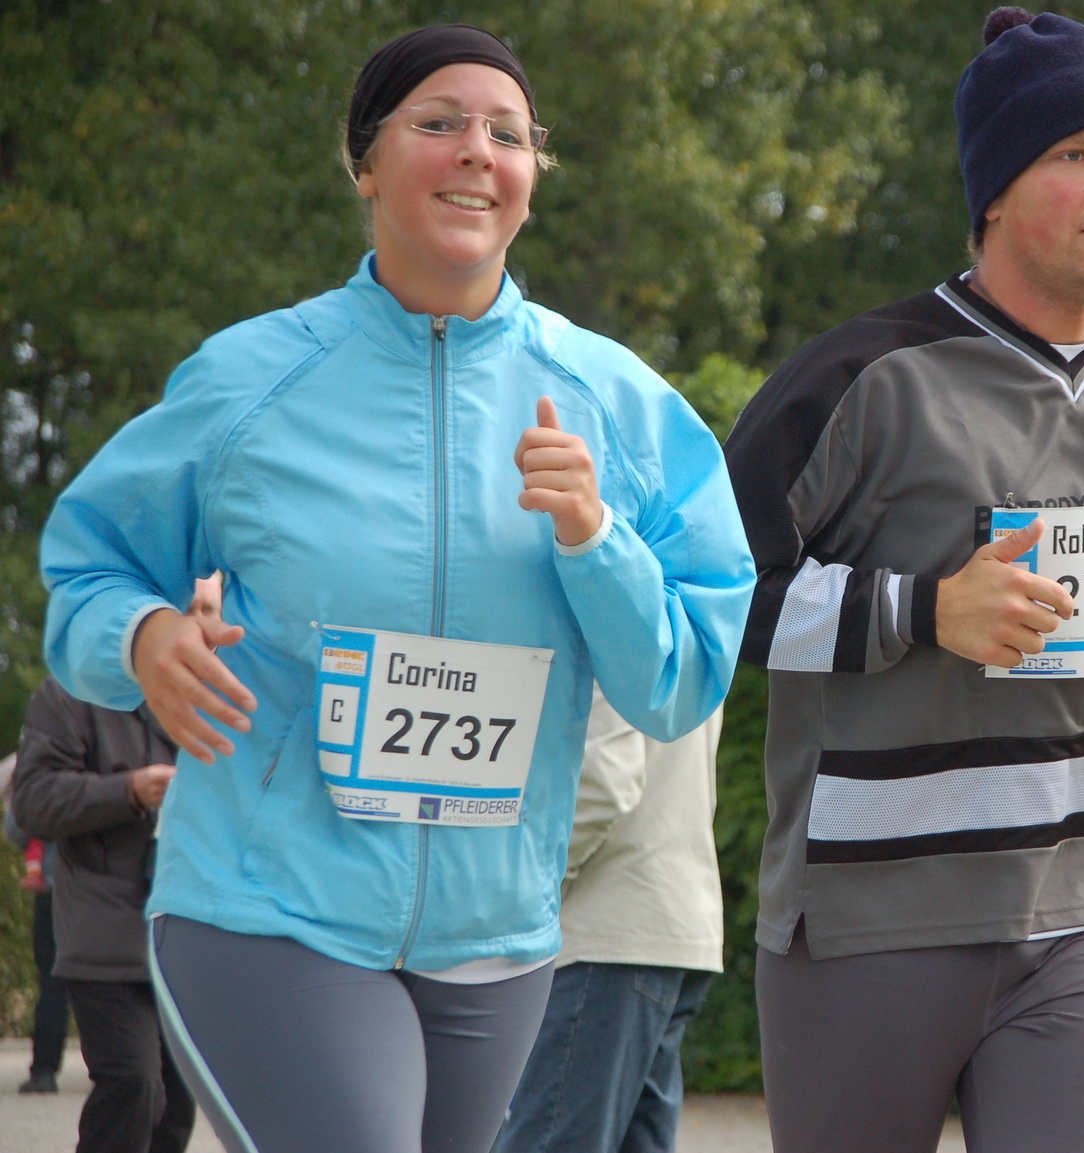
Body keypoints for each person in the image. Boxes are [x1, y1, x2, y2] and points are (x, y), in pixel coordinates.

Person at [38, 23, 753, 1153]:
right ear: (366, 164)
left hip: (501, 938)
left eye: (509, 134)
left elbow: (680, 680)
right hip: (268, 909)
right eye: (440, 123)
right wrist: (141, 630)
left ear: (530, 182)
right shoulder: (250, 379)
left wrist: (594, 536)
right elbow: (88, 565)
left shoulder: (618, 404)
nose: (479, 150)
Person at [723, 9, 1084, 1152]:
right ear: (994, 191)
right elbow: (712, 599)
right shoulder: (856, 378)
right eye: (1074, 154)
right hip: (874, 914)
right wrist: (926, 608)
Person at [494, 686, 724, 1153]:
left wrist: (521, 887)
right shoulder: (683, 621)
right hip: (669, 920)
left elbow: (604, 780)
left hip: (602, 927)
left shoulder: (611, 625)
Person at [9, 675, 195, 1153]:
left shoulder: (219, 687)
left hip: (192, 928)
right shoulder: (70, 693)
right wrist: (129, 789)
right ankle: (44, 1069)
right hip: (104, 929)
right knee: (134, 1083)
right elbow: (32, 803)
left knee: (176, 1106)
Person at [3, 752, 71, 1096]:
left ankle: (44, 1070)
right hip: (110, 891)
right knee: (117, 980)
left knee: (53, 982)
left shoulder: (43, 782)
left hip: (53, 889)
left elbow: (15, 829)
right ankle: (120, 1069)